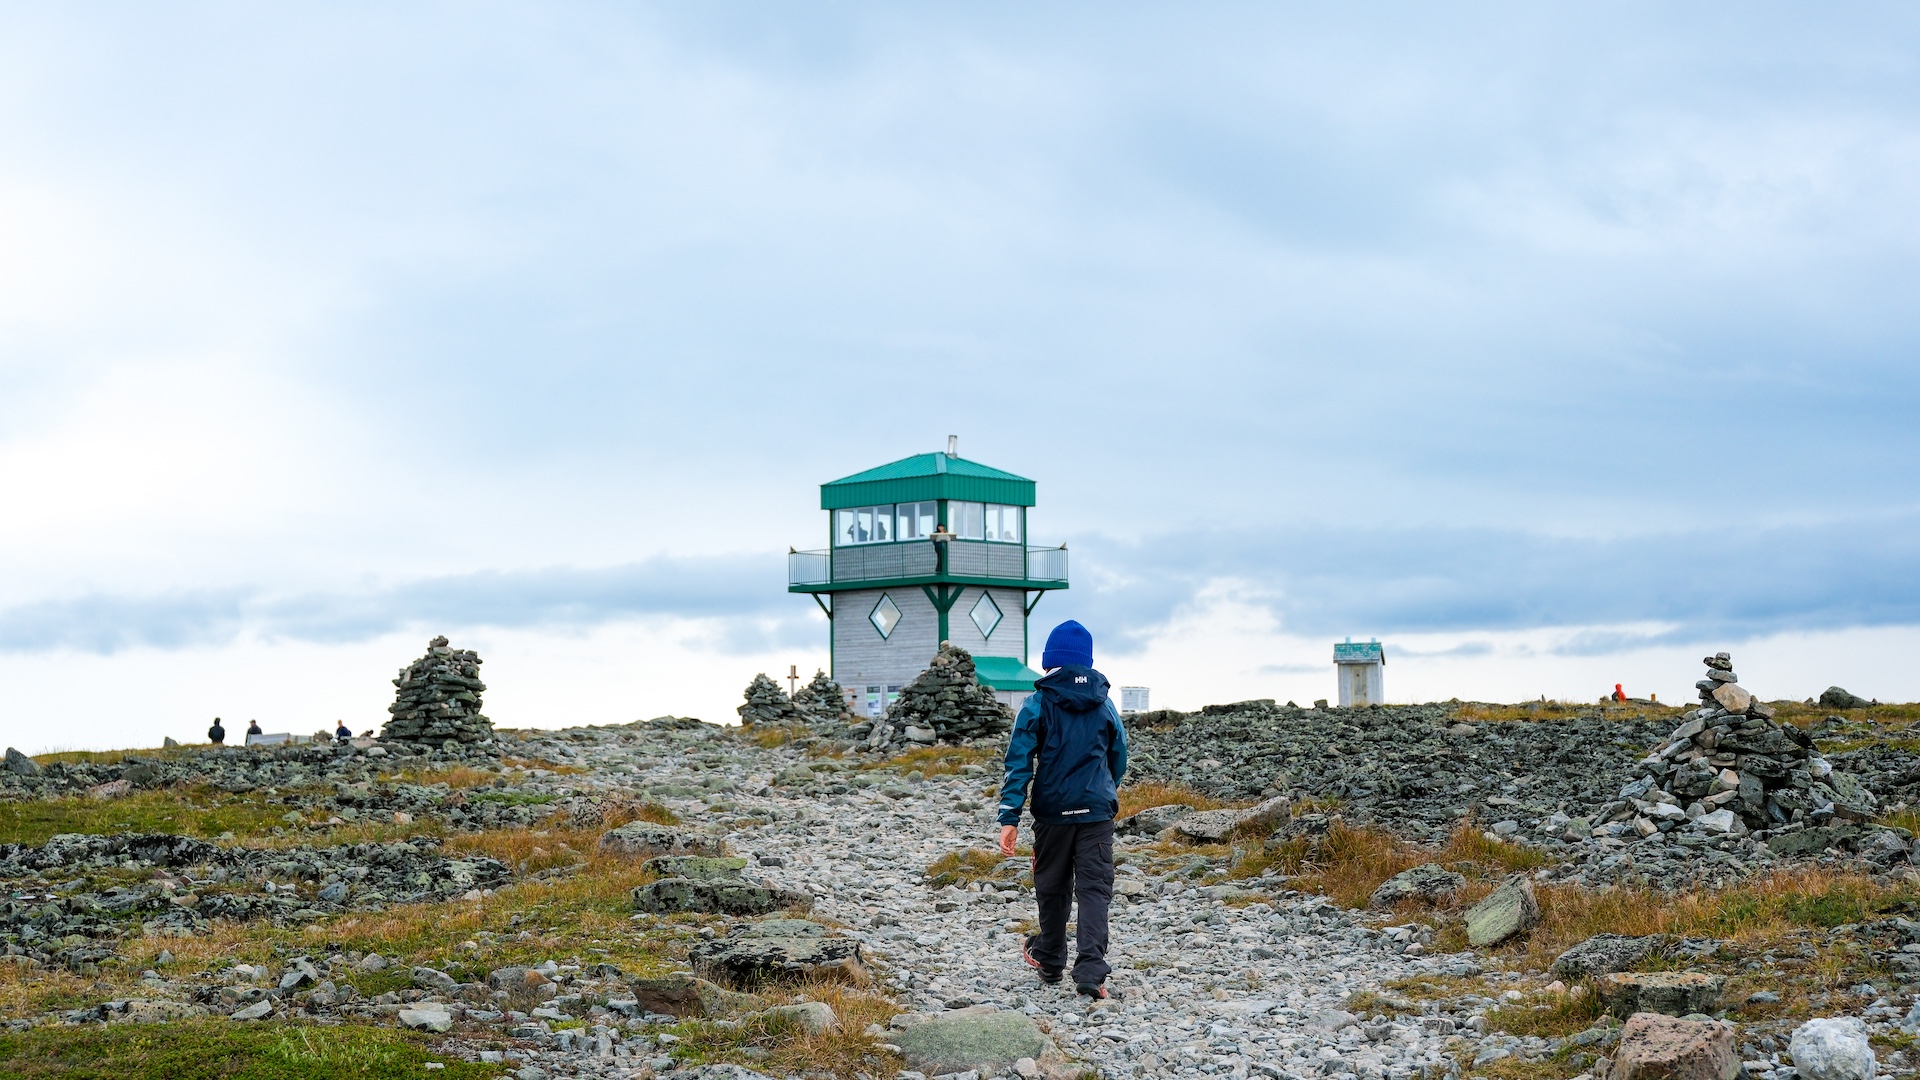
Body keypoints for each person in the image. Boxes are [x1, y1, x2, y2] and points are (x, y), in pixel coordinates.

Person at [996, 619, 1129, 1001]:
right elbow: (1118, 755)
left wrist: (1009, 818)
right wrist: (1104, 788)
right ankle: (1090, 972)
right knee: (1094, 889)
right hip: (1096, 813)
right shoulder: (1104, 703)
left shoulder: (1037, 703)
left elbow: (1018, 762)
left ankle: (1051, 958)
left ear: (1048, 661)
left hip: (1052, 813)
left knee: (1051, 886)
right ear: (1086, 661)